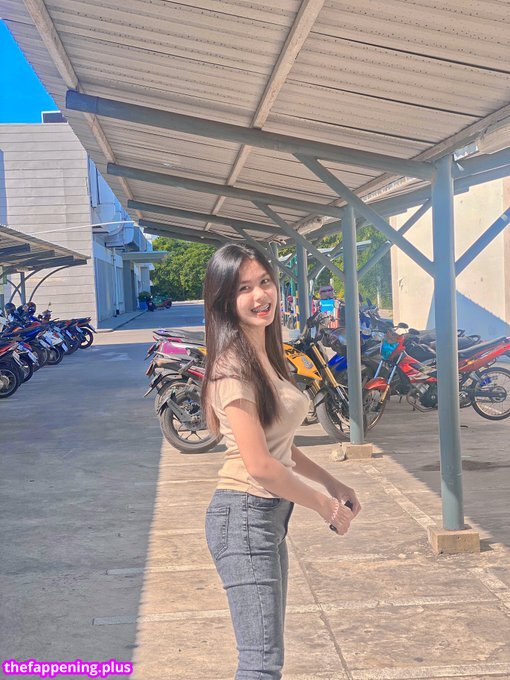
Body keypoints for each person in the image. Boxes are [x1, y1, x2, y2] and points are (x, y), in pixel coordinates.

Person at [201, 244, 361, 680]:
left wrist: (333, 484)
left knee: (266, 658)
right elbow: (260, 465)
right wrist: (325, 506)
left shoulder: (266, 357)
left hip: (266, 517)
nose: (260, 296)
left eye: (264, 282)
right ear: (224, 300)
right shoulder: (233, 368)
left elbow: (280, 447)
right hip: (244, 516)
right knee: (260, 664)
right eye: (244, 288)